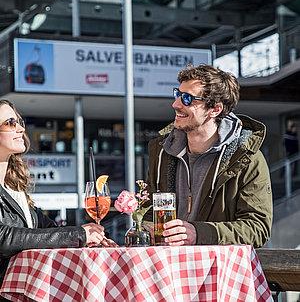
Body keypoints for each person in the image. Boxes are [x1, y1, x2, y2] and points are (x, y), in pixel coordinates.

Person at [145, 64, 273, 248]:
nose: (176, 104)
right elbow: (149, 212)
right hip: (168, 269)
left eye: (187, 98)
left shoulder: (246, 158)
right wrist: (147, 229)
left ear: (215, 109)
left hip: (216, 271)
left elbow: (258, 228)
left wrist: (199, 233)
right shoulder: (162, 152)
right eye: (177, 94)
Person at [0, 99, 116, 287]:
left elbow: (47, 230)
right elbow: (4, 238)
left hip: (27, 289)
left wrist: (88, 236)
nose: (21, 129)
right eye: (10, 123)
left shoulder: (15, 189)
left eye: (19, 122)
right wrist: (78, 235)